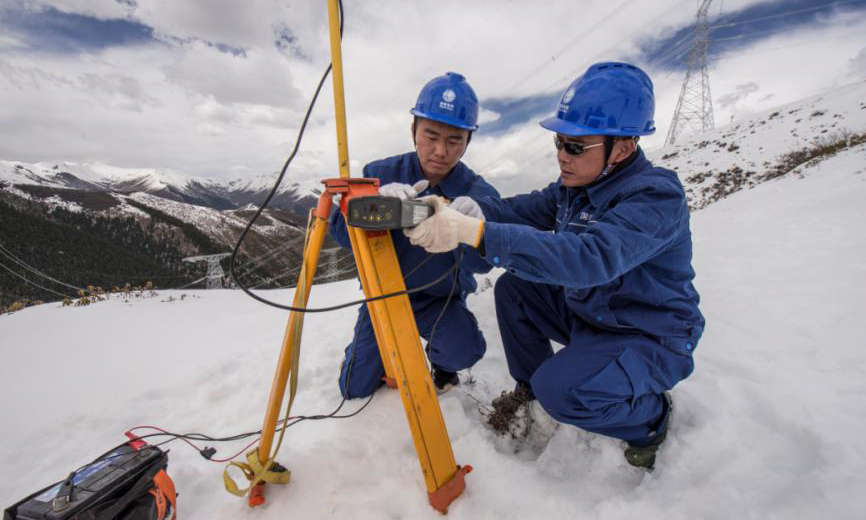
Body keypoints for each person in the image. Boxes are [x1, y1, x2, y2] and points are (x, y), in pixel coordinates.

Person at [404, 62, 704, 468]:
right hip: (595, 316)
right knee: (516, 289)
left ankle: (650, 419)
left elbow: (589, 259)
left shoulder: (654, 197)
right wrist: (470, 211)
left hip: (648, 334)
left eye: (576, 146)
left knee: (561, 391)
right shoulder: (576, 186)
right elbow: (521, 211)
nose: (562, 155)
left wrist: (475, 233)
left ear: (624, 148)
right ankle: (532, 390)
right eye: (560, 143)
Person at [330, 72, 500, 399]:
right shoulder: (378, 175)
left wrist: (474, 232)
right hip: (384, 296)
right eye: (430, 135)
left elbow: (484, 265)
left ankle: (442, 364)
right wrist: (371, 206)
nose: (440, 150)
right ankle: (365, 356)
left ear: (468, 141)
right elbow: (341, 234)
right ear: (414, 130)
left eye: (454, 140)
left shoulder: (480, 194)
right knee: (353, 387)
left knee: (464, 351)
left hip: (440, 301)